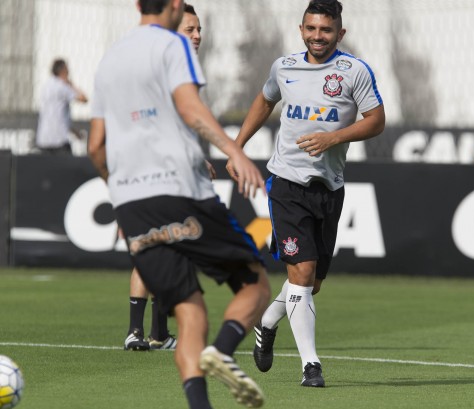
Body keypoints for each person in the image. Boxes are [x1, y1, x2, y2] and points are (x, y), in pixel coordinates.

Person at [88, 1, 270, 408]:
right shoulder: (173, 46)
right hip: (181, 193)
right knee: (255, 285)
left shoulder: (110, 60)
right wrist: (234, 151)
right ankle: (223, 351)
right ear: (173, 6)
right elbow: (189, 108)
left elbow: (96, 146)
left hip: (134, 206)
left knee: (190, 313)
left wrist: (121, 195)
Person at [226, 0, 385, 387]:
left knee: (310, 285)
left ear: (340, 33)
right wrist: (237, 145)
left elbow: (376, 121)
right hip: (286, 185)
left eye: (326, 30)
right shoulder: (284, 67)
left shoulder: (354, 72)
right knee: (302, 273)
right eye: (311, 29)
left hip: (329, 188)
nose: (318, 36)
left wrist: (334, 137)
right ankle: (310, 366)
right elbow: (265, 100)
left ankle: (266, 321)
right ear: (301, 30)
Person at [123, 2, 207, 353]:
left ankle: (154, 333)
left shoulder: (179, 64)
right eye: (190, 29)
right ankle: (139, 332)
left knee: (164, 248)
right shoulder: (165, 66)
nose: (197, 35)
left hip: (169, 169)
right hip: (157, 170)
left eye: (199, 29)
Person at [36, 58, 88, 154]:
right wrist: (71, 84)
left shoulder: (46, 86)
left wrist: (74, 132)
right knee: (67, 167)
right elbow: (84, 99)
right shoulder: (62, 86)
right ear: (63, 70)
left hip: (43, 139)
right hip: (59, 141)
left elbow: (57, 116)